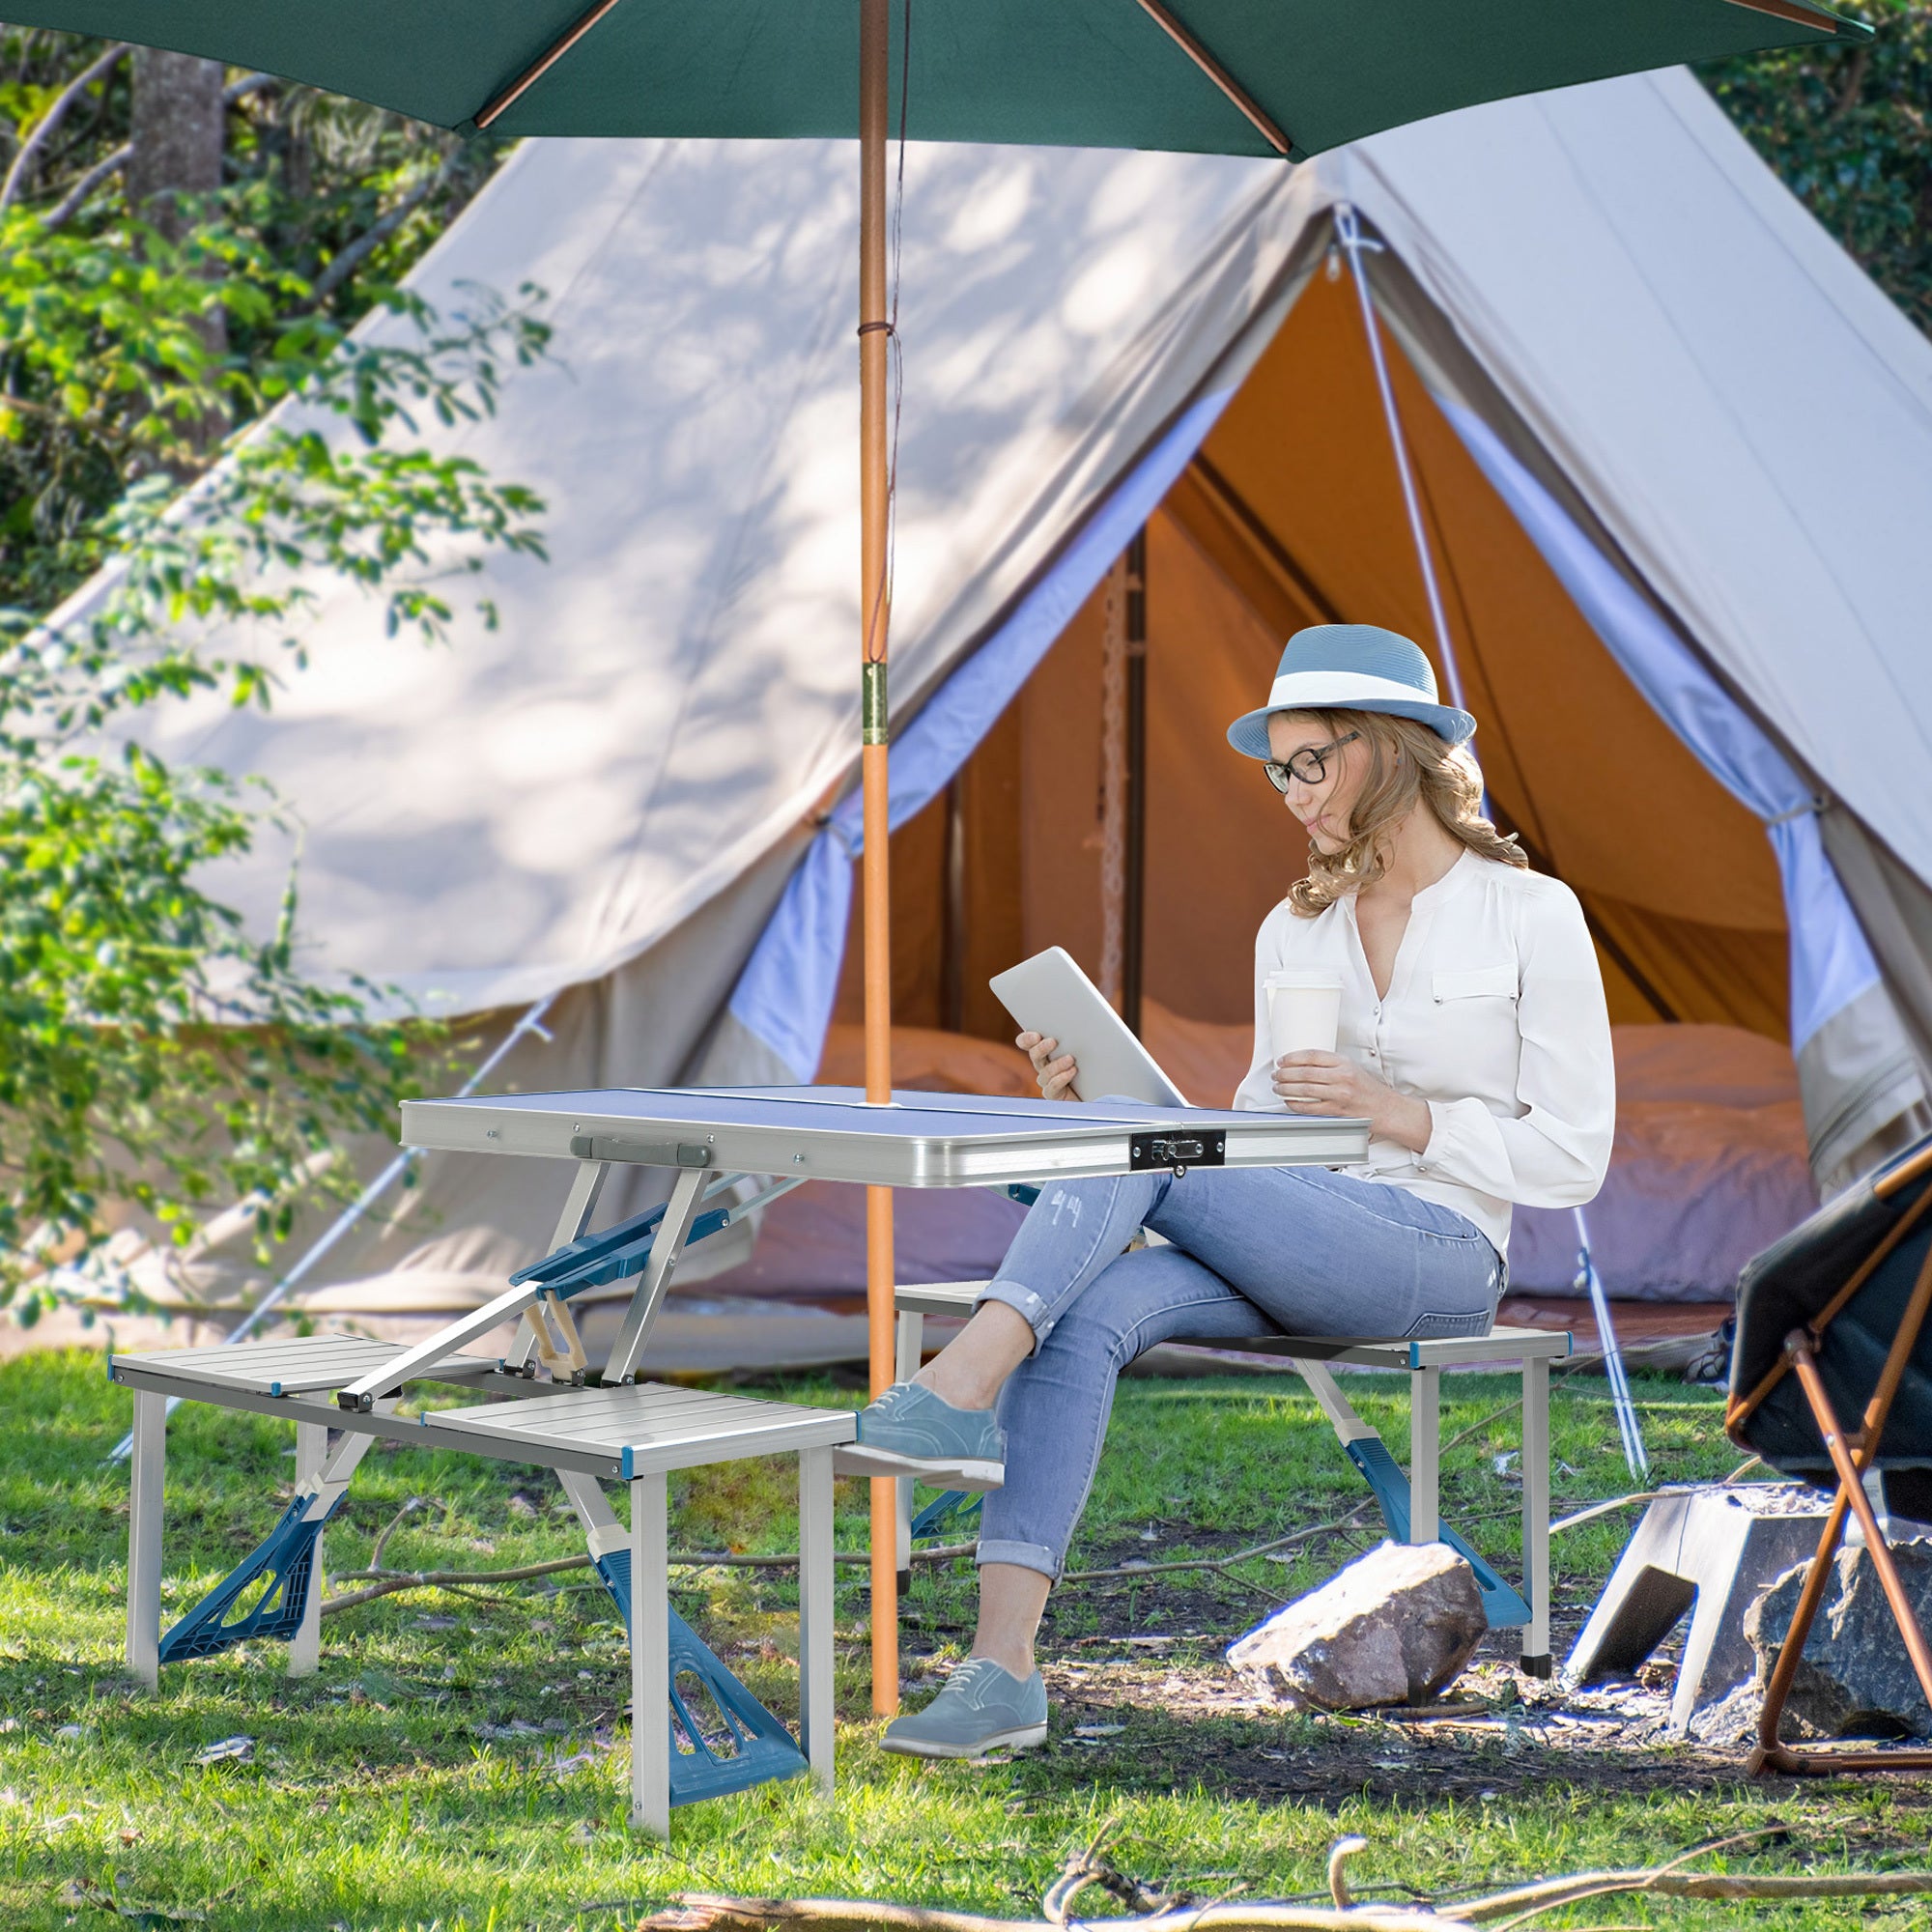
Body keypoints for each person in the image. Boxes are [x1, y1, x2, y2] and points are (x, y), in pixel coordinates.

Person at [848, 622, 1614, 1759]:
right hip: (1292, 1232)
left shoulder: (1529, 912)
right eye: (1279, 765)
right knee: (1092, 1305)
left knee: (1144, 1147)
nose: (1290, 789)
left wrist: (1395, 1113)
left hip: (1436, 1250)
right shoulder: (1293, 926)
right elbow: (1242, 1140)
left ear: (1390, 750)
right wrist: (1082, 1111)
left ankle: (959, 1377)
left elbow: (1574, 1156)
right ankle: (1001, 1669)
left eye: (1312, 759)